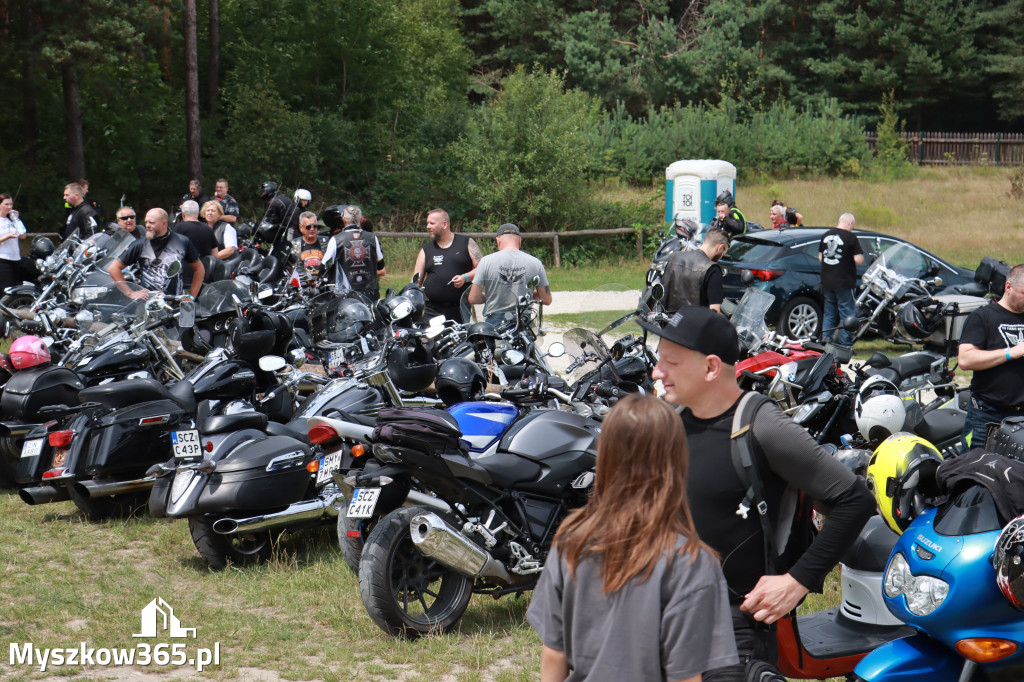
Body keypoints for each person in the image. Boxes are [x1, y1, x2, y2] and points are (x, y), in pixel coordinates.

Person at [640, 306, 874, 682]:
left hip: (734, 633)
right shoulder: (675, 420)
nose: (657, 371)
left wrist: (797, 581)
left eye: (670, 362)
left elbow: (855, 501)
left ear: (711, 368)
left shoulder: (761, 425)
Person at [527, 393, 739, 682]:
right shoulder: (692, 563)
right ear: (676, 462)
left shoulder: (571, 540)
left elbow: (554, 654)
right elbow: (686, 677)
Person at [958, 264, 1024, 450]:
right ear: (1008, 287)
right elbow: (965, 360)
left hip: (1021, 417)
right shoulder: (983, 317)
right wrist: (1010, 353)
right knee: (977, 473)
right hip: (987, 417)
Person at [108, 208, 204, 300]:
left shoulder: (182, 241)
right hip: (146, 305)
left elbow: (199, 269)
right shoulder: (140, 244)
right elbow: (113, 269)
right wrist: (130, 293)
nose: (147, 225)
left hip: (173, 304)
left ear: (164, 223)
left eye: (151, 223)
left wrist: (191, 297)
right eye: (146, 222)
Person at [467, 223, 551, 327]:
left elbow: (473, 298)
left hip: (494, 323)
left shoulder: (485, 262)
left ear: (498, 241)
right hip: (524, 323)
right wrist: (523, 295)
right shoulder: (535, 263)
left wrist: (493, 296)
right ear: (519, 241)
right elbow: (546, 299)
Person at [412, 208, 482, 322]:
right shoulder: (426, 250)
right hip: (431, 310)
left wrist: (465, 278)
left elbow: (482, 268)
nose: (428, 227)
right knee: (429, 339)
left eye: (432, 223)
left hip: (459, 309)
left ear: (444, 225)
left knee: (461, 340)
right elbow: (416, 281)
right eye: (427, 223)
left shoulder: (466, 243)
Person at [321, 205, 387, 300]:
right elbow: (380, 265)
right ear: (360, 220)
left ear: (343, 220)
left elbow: (324, 266)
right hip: (370, 293)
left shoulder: (336, 240)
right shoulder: (373, 238)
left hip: (344, 295)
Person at [818, 212, 864, 347]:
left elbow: (821, 257)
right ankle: (845, 345)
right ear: (850, 223)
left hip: (826, 281)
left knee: (829, 313)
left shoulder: (825, 235)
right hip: (844, 282)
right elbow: (859, 259)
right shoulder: (850, 237)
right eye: (852, 226)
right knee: (847, 314)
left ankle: (826, 342)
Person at [660, 227, 730, 313]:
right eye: (724, 251)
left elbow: (663, 292)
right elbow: (714, 311)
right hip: (695, 324)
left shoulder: (675, 257)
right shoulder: (712, 269)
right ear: (720, 247)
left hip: (669, 322)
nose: (722, 255)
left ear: (705, 241)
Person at [173, 201, 218, 290]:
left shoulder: (178, 228)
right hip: (203, 278)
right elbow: (215, 255)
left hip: (183, 278)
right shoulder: (208, 230)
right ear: (198, 213)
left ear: (183, 214)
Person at [0, 193, 28, 293]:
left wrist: (16, 219)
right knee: (6, 290)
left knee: (14, 289)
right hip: (3, 259)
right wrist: (8, 237)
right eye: (6, 204)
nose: (9, 207)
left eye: (11, 204)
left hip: (15, 258)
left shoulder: (11, 220)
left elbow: (23, 235)